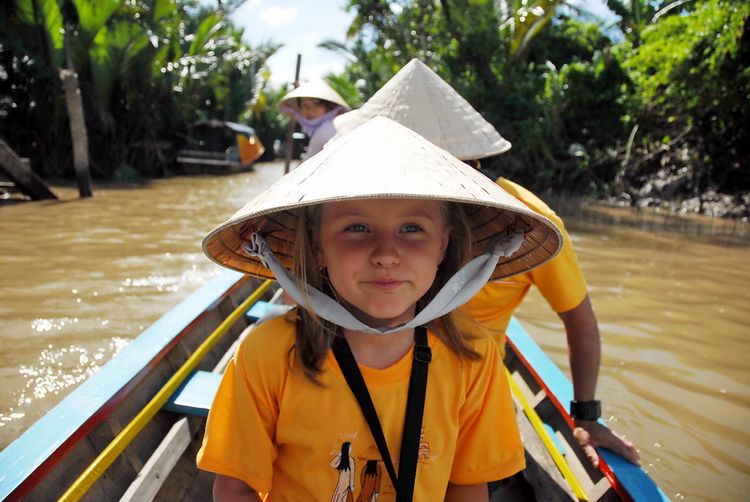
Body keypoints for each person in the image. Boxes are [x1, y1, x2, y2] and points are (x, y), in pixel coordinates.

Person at [197, 116, 563, 500]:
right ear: (318, 246)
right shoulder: (266, 355)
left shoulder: (474, 357)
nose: (387, 255)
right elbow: (235, 489)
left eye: (411, 229)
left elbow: (467, 485)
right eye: (357, 228)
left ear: (442, 245)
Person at [332, 58, 640, 469]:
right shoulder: (359, 213)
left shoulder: (528, 223)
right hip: (371, 375)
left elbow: (578, 319)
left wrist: (586, 416)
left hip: (469, 391)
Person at [278, 78, 350, 160]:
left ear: (328, 106)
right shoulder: (308, 123)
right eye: (305, 105)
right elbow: (289, 110)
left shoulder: (327, 128)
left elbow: (309, 160)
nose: (310, 110)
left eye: (317, 104)